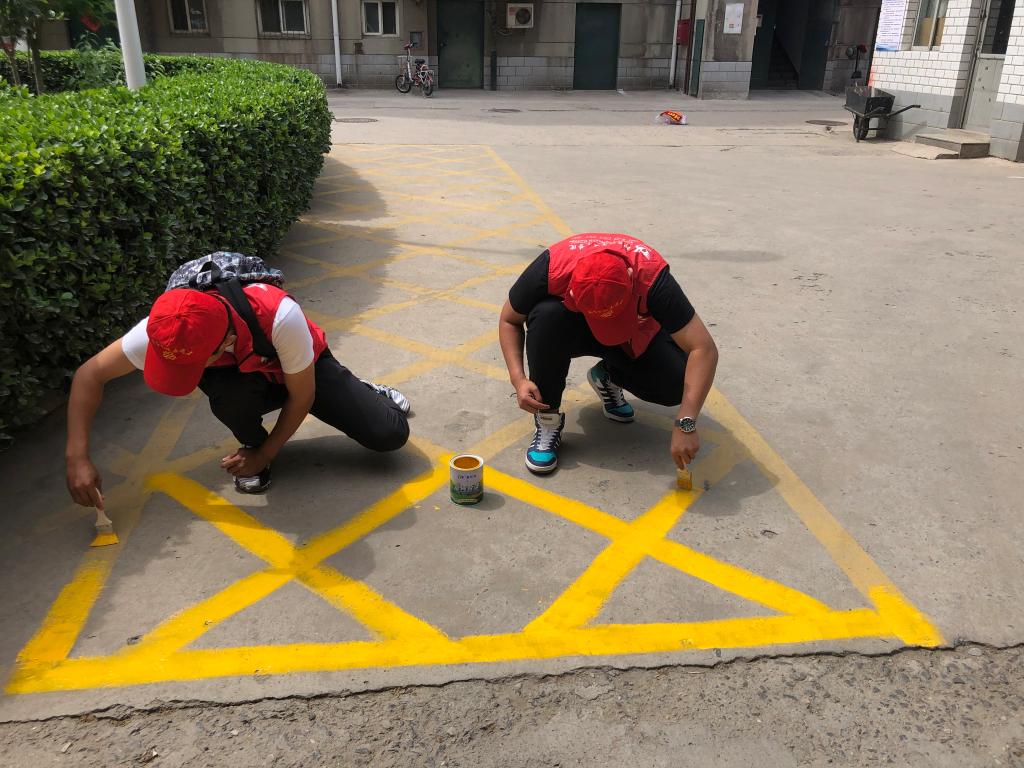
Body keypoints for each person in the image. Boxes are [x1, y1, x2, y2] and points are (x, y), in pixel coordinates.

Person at [65, 266, 411, 506]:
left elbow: (302, 395)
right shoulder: (167, 327)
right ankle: (253, 445)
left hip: (303, 370)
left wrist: (267, 454)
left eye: (192, 365)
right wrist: (76, 457)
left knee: (388, 435)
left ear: (226, 341)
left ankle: (364, 391)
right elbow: (88, 376)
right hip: (246, 379)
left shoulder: (278, 314)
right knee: (229, 395)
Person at [498, 233, 718, 474]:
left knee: (676, 382)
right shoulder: (550, 268)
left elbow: (703, 349)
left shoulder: (651, 276)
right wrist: (518, 379)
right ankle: (548, 419)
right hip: (573, 324)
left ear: (631, 278)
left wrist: (686, 422)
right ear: (573, 294)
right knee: (546, 316)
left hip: (635, 333)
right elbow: (509, 319)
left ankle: (608, 376)